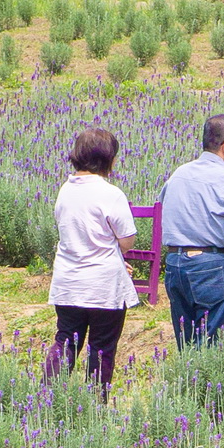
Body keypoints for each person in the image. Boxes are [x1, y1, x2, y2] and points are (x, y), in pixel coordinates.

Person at [157, 113, 224, 350]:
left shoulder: (178, 175)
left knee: (187, 344)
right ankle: (210, 387)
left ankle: (188, 386)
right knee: (216, 347)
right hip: (215, 267)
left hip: (176, 265)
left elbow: (163, 210)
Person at [45, 126, 138, 398]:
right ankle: (95, 407)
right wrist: (116, 257)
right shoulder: (110, 194)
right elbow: (127, 239)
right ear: (107, 158)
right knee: (102, 348)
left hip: (68, 283)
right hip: (103, 287)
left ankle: (45, 400)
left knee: (65, 341)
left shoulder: (65, 190)